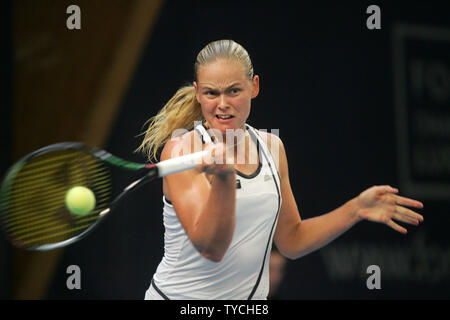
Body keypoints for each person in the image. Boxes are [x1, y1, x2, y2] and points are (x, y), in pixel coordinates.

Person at [137, 40, 424, 300]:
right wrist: (225, 177)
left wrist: (355, 209)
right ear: (198, 93)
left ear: (254, 86)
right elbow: (211, 247)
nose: (223, 104)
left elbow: (291, 240)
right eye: (211, 93)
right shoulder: (180, 150)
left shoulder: (273, 148)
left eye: (234, 91)